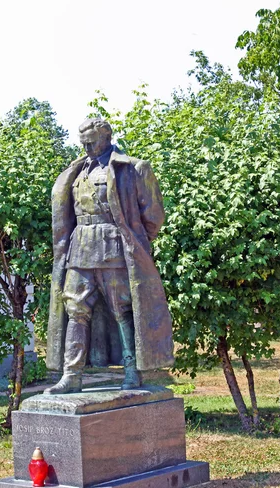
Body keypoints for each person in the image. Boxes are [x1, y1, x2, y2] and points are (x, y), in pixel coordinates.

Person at [46, 117, 174, 394]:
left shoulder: (133, 168)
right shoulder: (76, 170)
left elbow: (153, 215)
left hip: (114, 250)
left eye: (91, 141)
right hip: (79, 250)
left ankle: (132, 371)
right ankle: (72, 375)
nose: (86, 146)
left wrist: (135, 241)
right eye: (83, 142)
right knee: (75, 310)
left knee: (122, 311)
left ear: (106, 136)